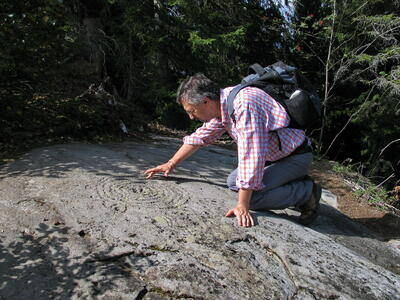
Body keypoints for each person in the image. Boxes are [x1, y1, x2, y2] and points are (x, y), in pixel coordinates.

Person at [144, 73, 322, 227]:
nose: (191, 116)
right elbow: (201, 136)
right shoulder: (224, 103)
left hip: (294, 157)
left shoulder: (244, 105)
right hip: (276, 157)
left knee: (254, 198)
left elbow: (252, 154)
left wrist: (243, 205)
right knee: (234, 182)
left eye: (192, 111)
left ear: (205, 101)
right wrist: (171, 163)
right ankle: (289, 181)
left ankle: (307, 193)